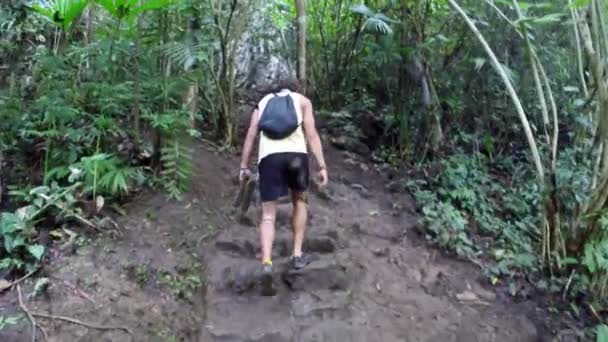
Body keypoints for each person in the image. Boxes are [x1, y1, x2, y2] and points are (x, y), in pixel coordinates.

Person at [239, 77, 328, 294]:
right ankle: (296, 255)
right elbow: (312, 134)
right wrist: (322, 165)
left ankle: (267, 263)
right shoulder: (302, 101)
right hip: (296, 157)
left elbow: (251, 135)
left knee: (268, 214)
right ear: (294, 87)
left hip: (269, 159)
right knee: (300, 202)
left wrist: (243, 166)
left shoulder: (262, 103)